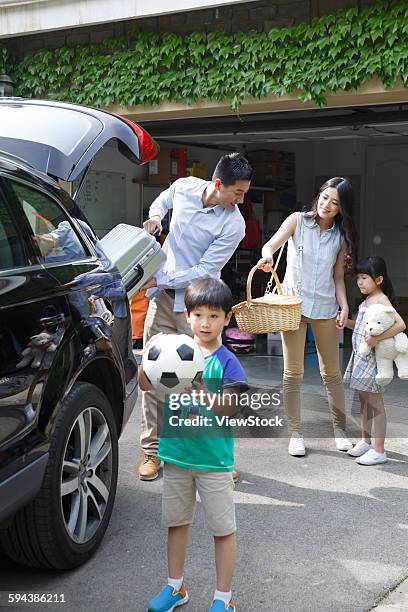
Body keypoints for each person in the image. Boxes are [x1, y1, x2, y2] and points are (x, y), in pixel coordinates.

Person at [138, 153, 253, 480]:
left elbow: (203, 271)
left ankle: (215, 454)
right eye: (238, 193)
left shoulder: (235, 224)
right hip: (162, 301)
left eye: (244, 194)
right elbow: (163, 198)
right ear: (218, 184)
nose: (241, 201)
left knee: (203, 381)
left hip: (199, 307)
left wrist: (158, 280)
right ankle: (152, 450)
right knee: (154, 372)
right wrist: (155, 216)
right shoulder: (186, 187)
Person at [140, 278, 248, 612]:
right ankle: (175, 588)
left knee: (222, 530)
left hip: (214, 462)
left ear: (226, 319)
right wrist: (151, 358)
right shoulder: (173, 354)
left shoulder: (228, 362)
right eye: (198, 315)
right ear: (187, 316)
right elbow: (145, 385)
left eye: (214, 316)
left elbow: (231, 409)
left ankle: (223, 599)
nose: (205, 323)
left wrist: (201, 391)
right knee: (177, 523)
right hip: (175, 457)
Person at [257, 177, 358, 456]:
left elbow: (338, 277)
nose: (327, 205)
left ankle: (340, 430)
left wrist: (345, 306)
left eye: (335, 202)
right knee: (293, 373)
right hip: (293, 306)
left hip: (325, 308)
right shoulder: (297, 221)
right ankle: (296, 433)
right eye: (325, 197)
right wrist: (266, 257)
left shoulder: (340, 238)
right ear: (318, 197)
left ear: (342, 209)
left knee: (332, 374)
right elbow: (271, 245)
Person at [344, 256, 405, 465]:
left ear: (378, 280)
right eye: (358, 278)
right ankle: (365, 440)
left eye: (364, 277)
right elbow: (361, 327)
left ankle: (379, 450)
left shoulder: (381, 300)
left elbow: (400, 325)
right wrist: (346, 323)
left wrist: (377, 338)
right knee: (364, 402)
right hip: (360, 358)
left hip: (372, 361)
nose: (360, 282)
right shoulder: (366, 301)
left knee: (375, 403)